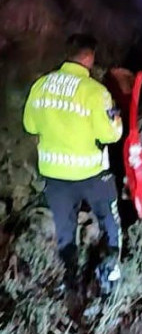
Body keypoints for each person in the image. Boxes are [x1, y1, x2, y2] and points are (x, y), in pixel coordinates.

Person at [23, 33, 124, 293]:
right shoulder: (95, 92)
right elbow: (110, 134)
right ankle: (110, 275)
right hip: (91, 173)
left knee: (65, 229)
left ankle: (69, 280)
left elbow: (29, 125)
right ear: (89, 57)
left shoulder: (40, 86)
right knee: (109, 222)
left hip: (56, 176)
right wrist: (115, 119)